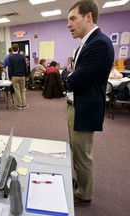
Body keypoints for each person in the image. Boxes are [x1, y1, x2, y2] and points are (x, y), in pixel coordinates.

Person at [65, 0, 114, 205]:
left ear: (88, 17)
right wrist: (70, 76)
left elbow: (74, 79)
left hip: (84, 109)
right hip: (76, 105)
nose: (68, 25)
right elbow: (74, 76)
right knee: (75, 151)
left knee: (82, 155)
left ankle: (84, 194)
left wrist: (67, 76)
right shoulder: (84, 44)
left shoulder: (99, 43)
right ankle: (77, 182)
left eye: (73, 19)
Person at [8, 43, 29, 109]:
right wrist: (27, 75)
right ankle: (24, 104)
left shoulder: (10, 58)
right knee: (23, 90)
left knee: (17, 91)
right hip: (22, 76)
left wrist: (10, 77)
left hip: (14, 76)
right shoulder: (22, 57)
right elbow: (25, 67)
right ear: (18, 49)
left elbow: (9, 68)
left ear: (12, 49)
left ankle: (19, 105)